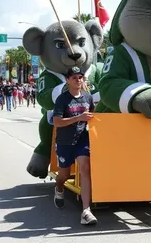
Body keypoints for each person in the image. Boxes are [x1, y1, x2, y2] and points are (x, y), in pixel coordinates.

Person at [51, 66, 97, 226]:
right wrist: (79, 117)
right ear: (68, 80)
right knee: (63, 176)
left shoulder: (88, 97)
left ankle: (86, 211)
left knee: (85, 169)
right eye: (74, 77)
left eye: (80, 77)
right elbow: (57, 122)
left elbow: (92, 116)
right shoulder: (62, 99)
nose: (78, 80)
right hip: (65, 142)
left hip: (82, 140)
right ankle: (59, 188)